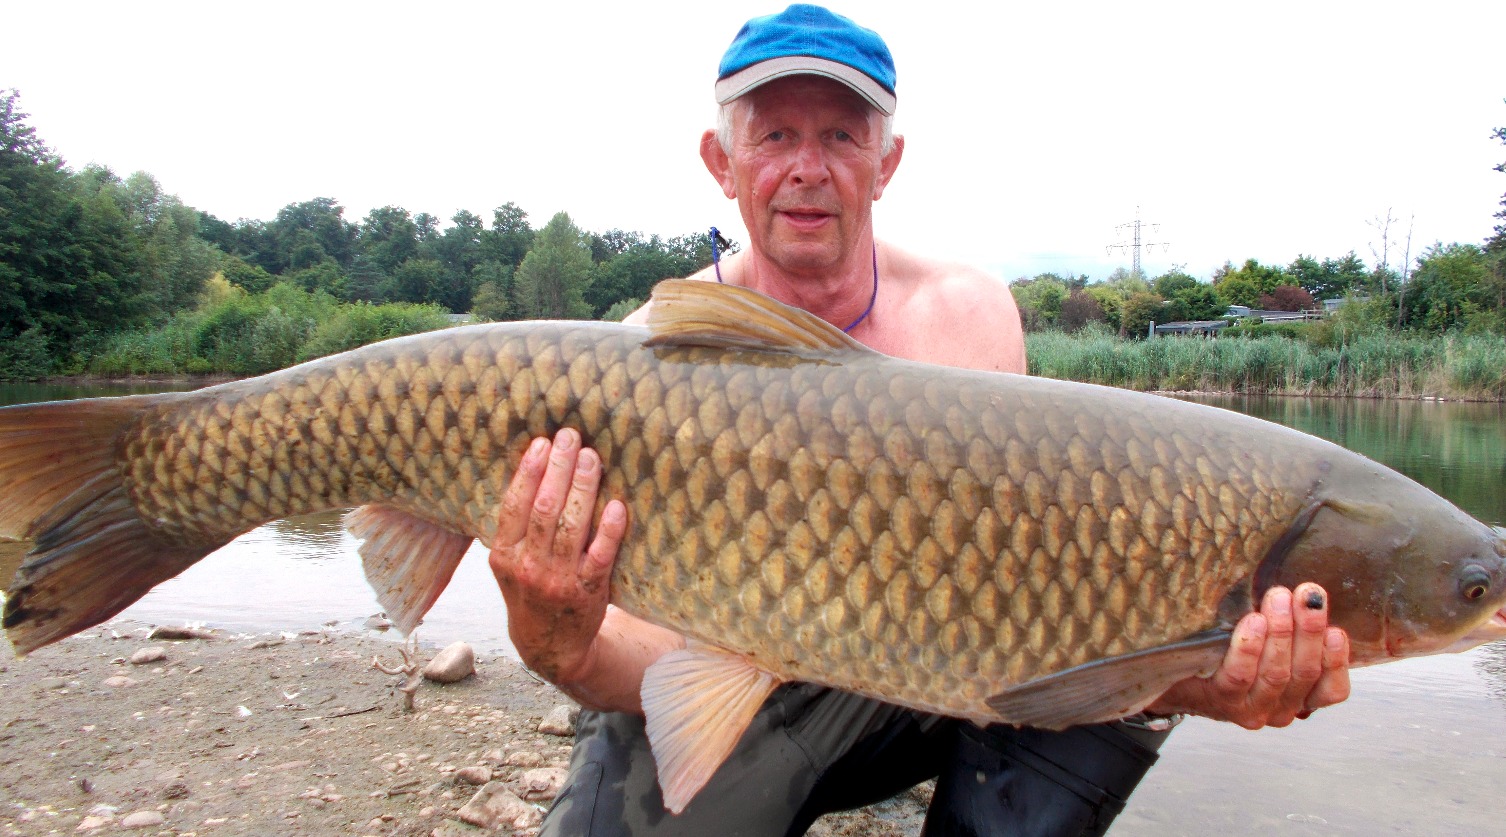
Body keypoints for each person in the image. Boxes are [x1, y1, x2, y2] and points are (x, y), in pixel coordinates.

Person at [489, 5, 1352, 835]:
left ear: (887, 161)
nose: (807, 167)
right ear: (722, 159)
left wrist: (1201, 679)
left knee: (1116, 606)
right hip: (732, 674)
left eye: (840, 135)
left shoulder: (968, 319)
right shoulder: (645, 365)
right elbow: (643, 654)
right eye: (776, 134)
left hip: (923, 681)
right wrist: (557, 641)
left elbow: (1039, 616)